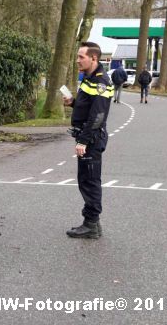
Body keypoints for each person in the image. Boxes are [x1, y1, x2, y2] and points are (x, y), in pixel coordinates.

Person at [63, 41, 113, 239]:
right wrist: (73, 103)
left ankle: (91, 224)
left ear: (94, 58)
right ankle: (93, 224)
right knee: (86, 180)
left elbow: (98, 116)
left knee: (89, 181)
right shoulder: (89, 78)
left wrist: (83, 141)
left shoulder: (101, 82)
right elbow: (89, 107)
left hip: (91, 138)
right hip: (88, 136)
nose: (77, 60)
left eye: (81, 57)